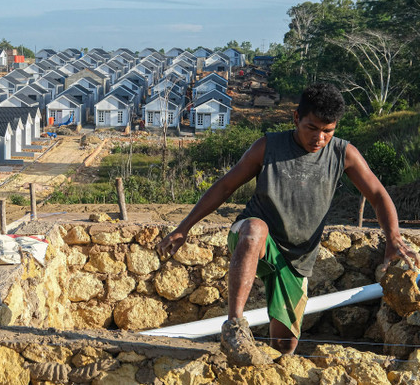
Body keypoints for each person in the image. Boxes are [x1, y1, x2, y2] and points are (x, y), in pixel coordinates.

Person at [156, 83, 420, 366]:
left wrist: (393, 238)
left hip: (297, 258)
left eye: (328, 130)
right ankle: (234, 326)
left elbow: (379, 195)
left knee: (285, 345)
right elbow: (224, 187)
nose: (319, 137)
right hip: (254, 236)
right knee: (255, 230)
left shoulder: (343, 154)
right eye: (312, 127)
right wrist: (184, 227)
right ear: (296, 118)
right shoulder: (268, 146)